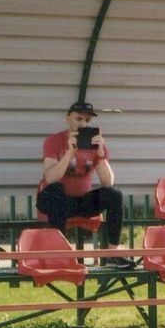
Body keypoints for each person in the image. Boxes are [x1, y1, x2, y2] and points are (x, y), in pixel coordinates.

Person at [36, 101, 132, 269]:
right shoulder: (53, 141)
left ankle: (112, 255)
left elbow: (108, 182)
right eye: (78, 118)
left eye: (87, 120)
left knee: (115, 194)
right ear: (68, 119)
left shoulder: (96, 144)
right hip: (54, 200)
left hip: (81, 201)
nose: (82, 123)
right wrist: (69, 153)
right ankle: (59, 255)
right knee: (56, 189)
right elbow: (51, 178)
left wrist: (100, 154)